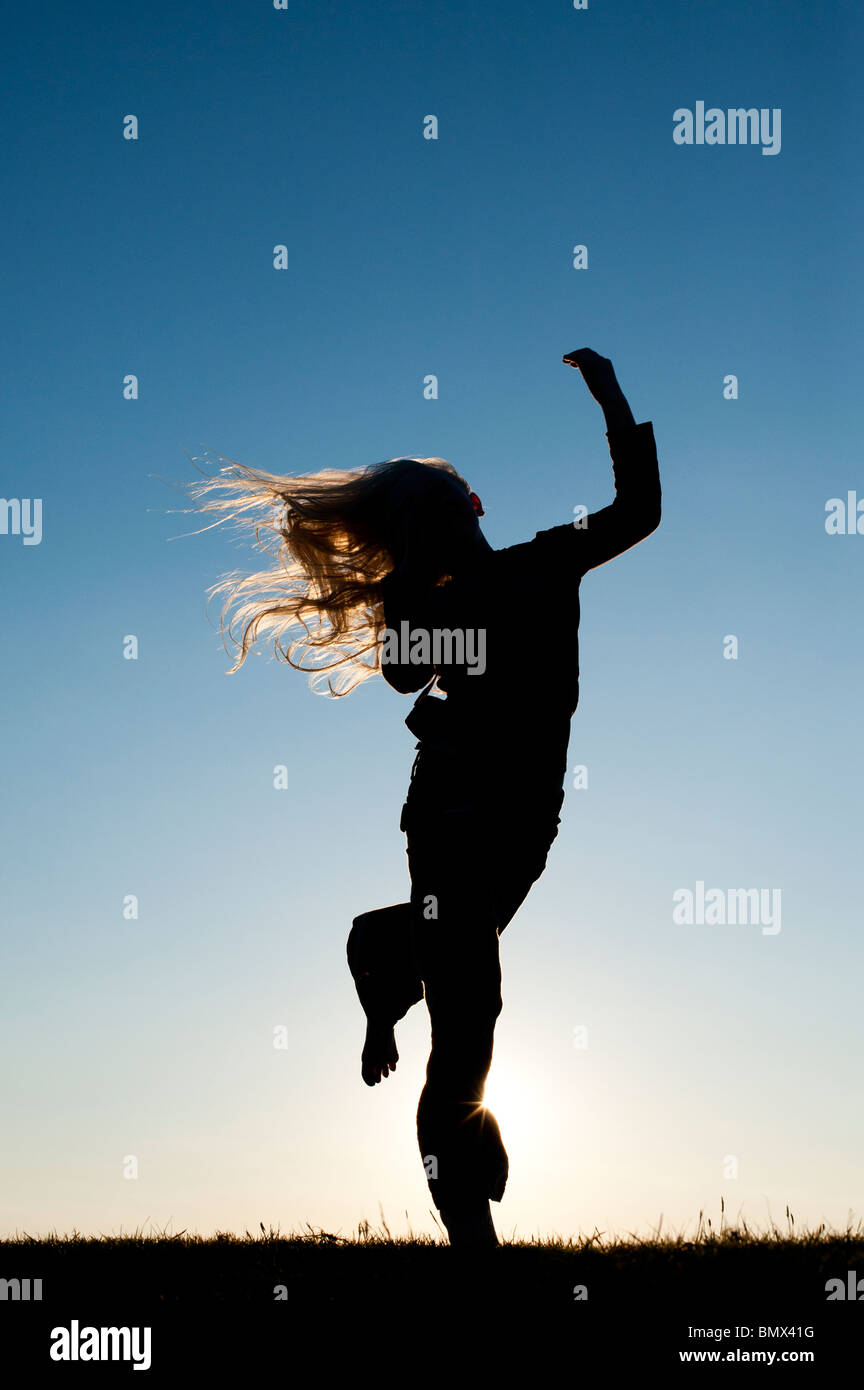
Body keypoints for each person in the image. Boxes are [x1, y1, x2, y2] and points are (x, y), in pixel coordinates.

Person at [189, 347, 661, 1249]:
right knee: (469, 1019)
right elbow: (406, 674)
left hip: (530, 818)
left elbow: (641, 512)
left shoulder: (546, 563)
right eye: (425, 520)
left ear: (472, 509)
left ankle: (380, 949)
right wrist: (410, 587)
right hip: (450, 815)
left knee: (464, 993)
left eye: (451, 506)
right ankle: (467, 1230)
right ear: (418, 533)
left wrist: (612, 399)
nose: (448, 522)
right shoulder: (430, 606)